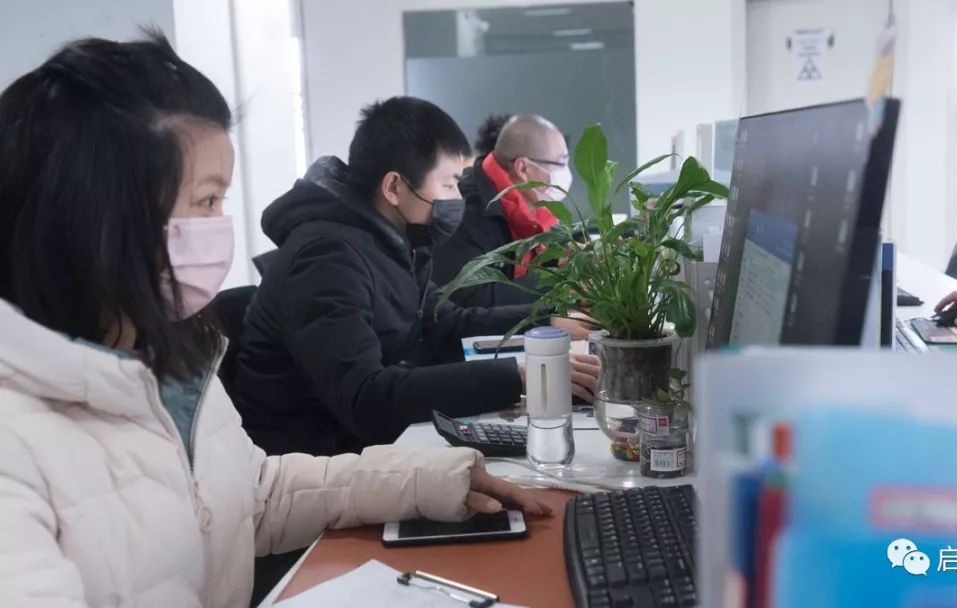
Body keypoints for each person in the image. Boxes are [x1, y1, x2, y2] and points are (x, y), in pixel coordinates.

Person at [0, 34, 548, 607]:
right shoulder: (17, 447)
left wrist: (427, 480)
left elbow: (255, 496)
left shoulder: (171, 359)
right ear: (103, 213)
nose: (221, 226)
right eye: (207, 201)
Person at [233, 98, 599, 457]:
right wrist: (518, 377)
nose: (457, 197)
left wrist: (549, 321)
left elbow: (444, 323)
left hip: (374, 443)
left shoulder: (390, 240)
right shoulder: (325, 258)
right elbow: (366, 397)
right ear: (394, 187)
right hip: (320, 460)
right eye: (449, 184)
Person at [432, 114, 572, 308]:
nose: (566, 173)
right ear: (523, 169)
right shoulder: (465, 210)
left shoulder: (538, 204)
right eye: (560, 164)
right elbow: (470, 299)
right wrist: (560, 281)